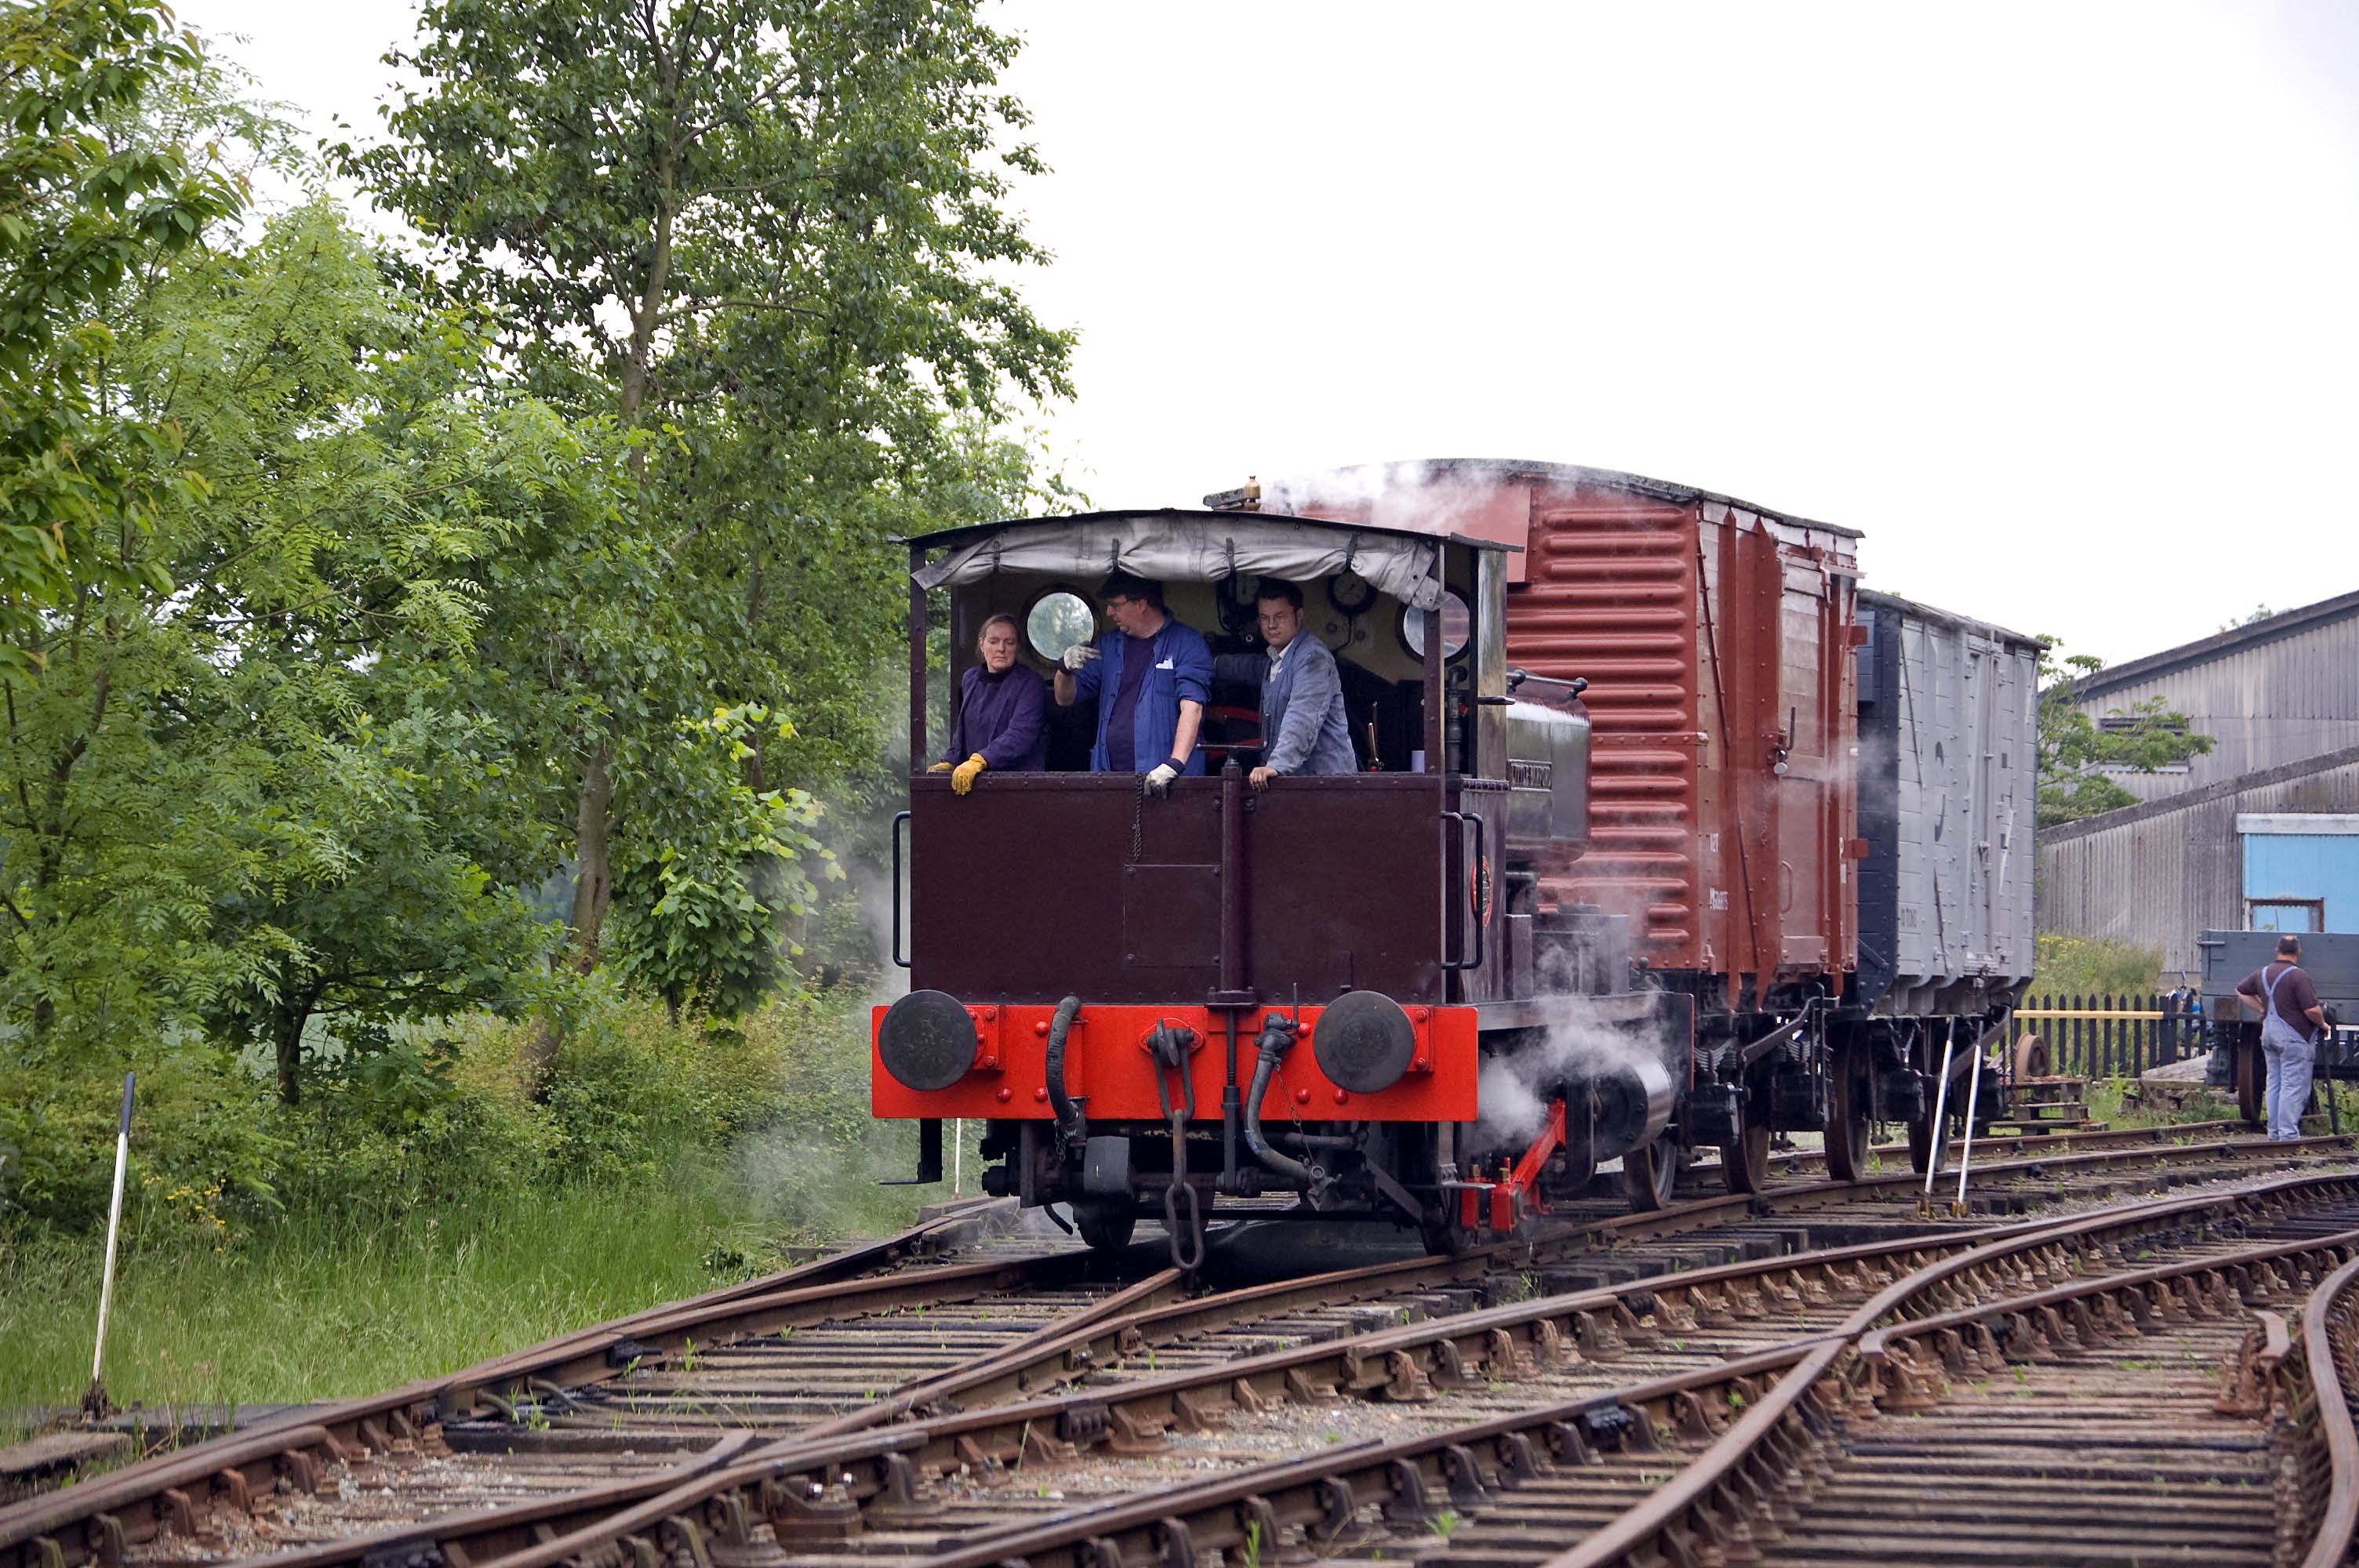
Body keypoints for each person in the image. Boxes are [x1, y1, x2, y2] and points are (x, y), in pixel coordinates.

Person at [1052, 572, 1212, 794]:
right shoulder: (1108, 645)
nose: (1108, 612)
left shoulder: (1187, 643)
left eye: (1115, 605)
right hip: (1110, 778)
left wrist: (1174, 765)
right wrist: (1063, 669)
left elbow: (1192, 709)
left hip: (1169, 784)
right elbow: (1064, 698)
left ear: (1141, 604)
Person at [1212, 579, 1357, 788]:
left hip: (1325, 786)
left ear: (1299, 616)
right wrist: (1209, 663)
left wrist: (1277, 765)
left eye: (1280, 617)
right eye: (1264, 618)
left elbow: (1302, 716)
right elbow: (1248, 667)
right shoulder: (1277, 660)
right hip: (1297, 784)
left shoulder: (1313, 659)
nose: (1271, 625)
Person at [928, 613, 1045, 795]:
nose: (1001, 648)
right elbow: (963, 731)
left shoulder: (1031, 683)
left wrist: (980, 760)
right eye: (994, 641)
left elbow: (1021, 734)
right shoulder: (970, 679)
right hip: (974, 787)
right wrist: (950, 761)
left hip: (1018, 787)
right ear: (982, 644)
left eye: (1009, 642)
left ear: (1017, 648)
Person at [2237, 934, 2328, 1140]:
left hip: (2269, 1034)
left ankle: (2274, 1132)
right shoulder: (2299, 976)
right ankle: (2288, 1136)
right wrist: (2322, 1023)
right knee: (2292, 1085)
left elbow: (2241, 991)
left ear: (2277, 950)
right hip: (2293, 1038)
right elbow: (2312, 1010)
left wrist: (2262, 1009)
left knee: (2275, 1083)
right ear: (2298, 952)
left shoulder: (2263, 973)